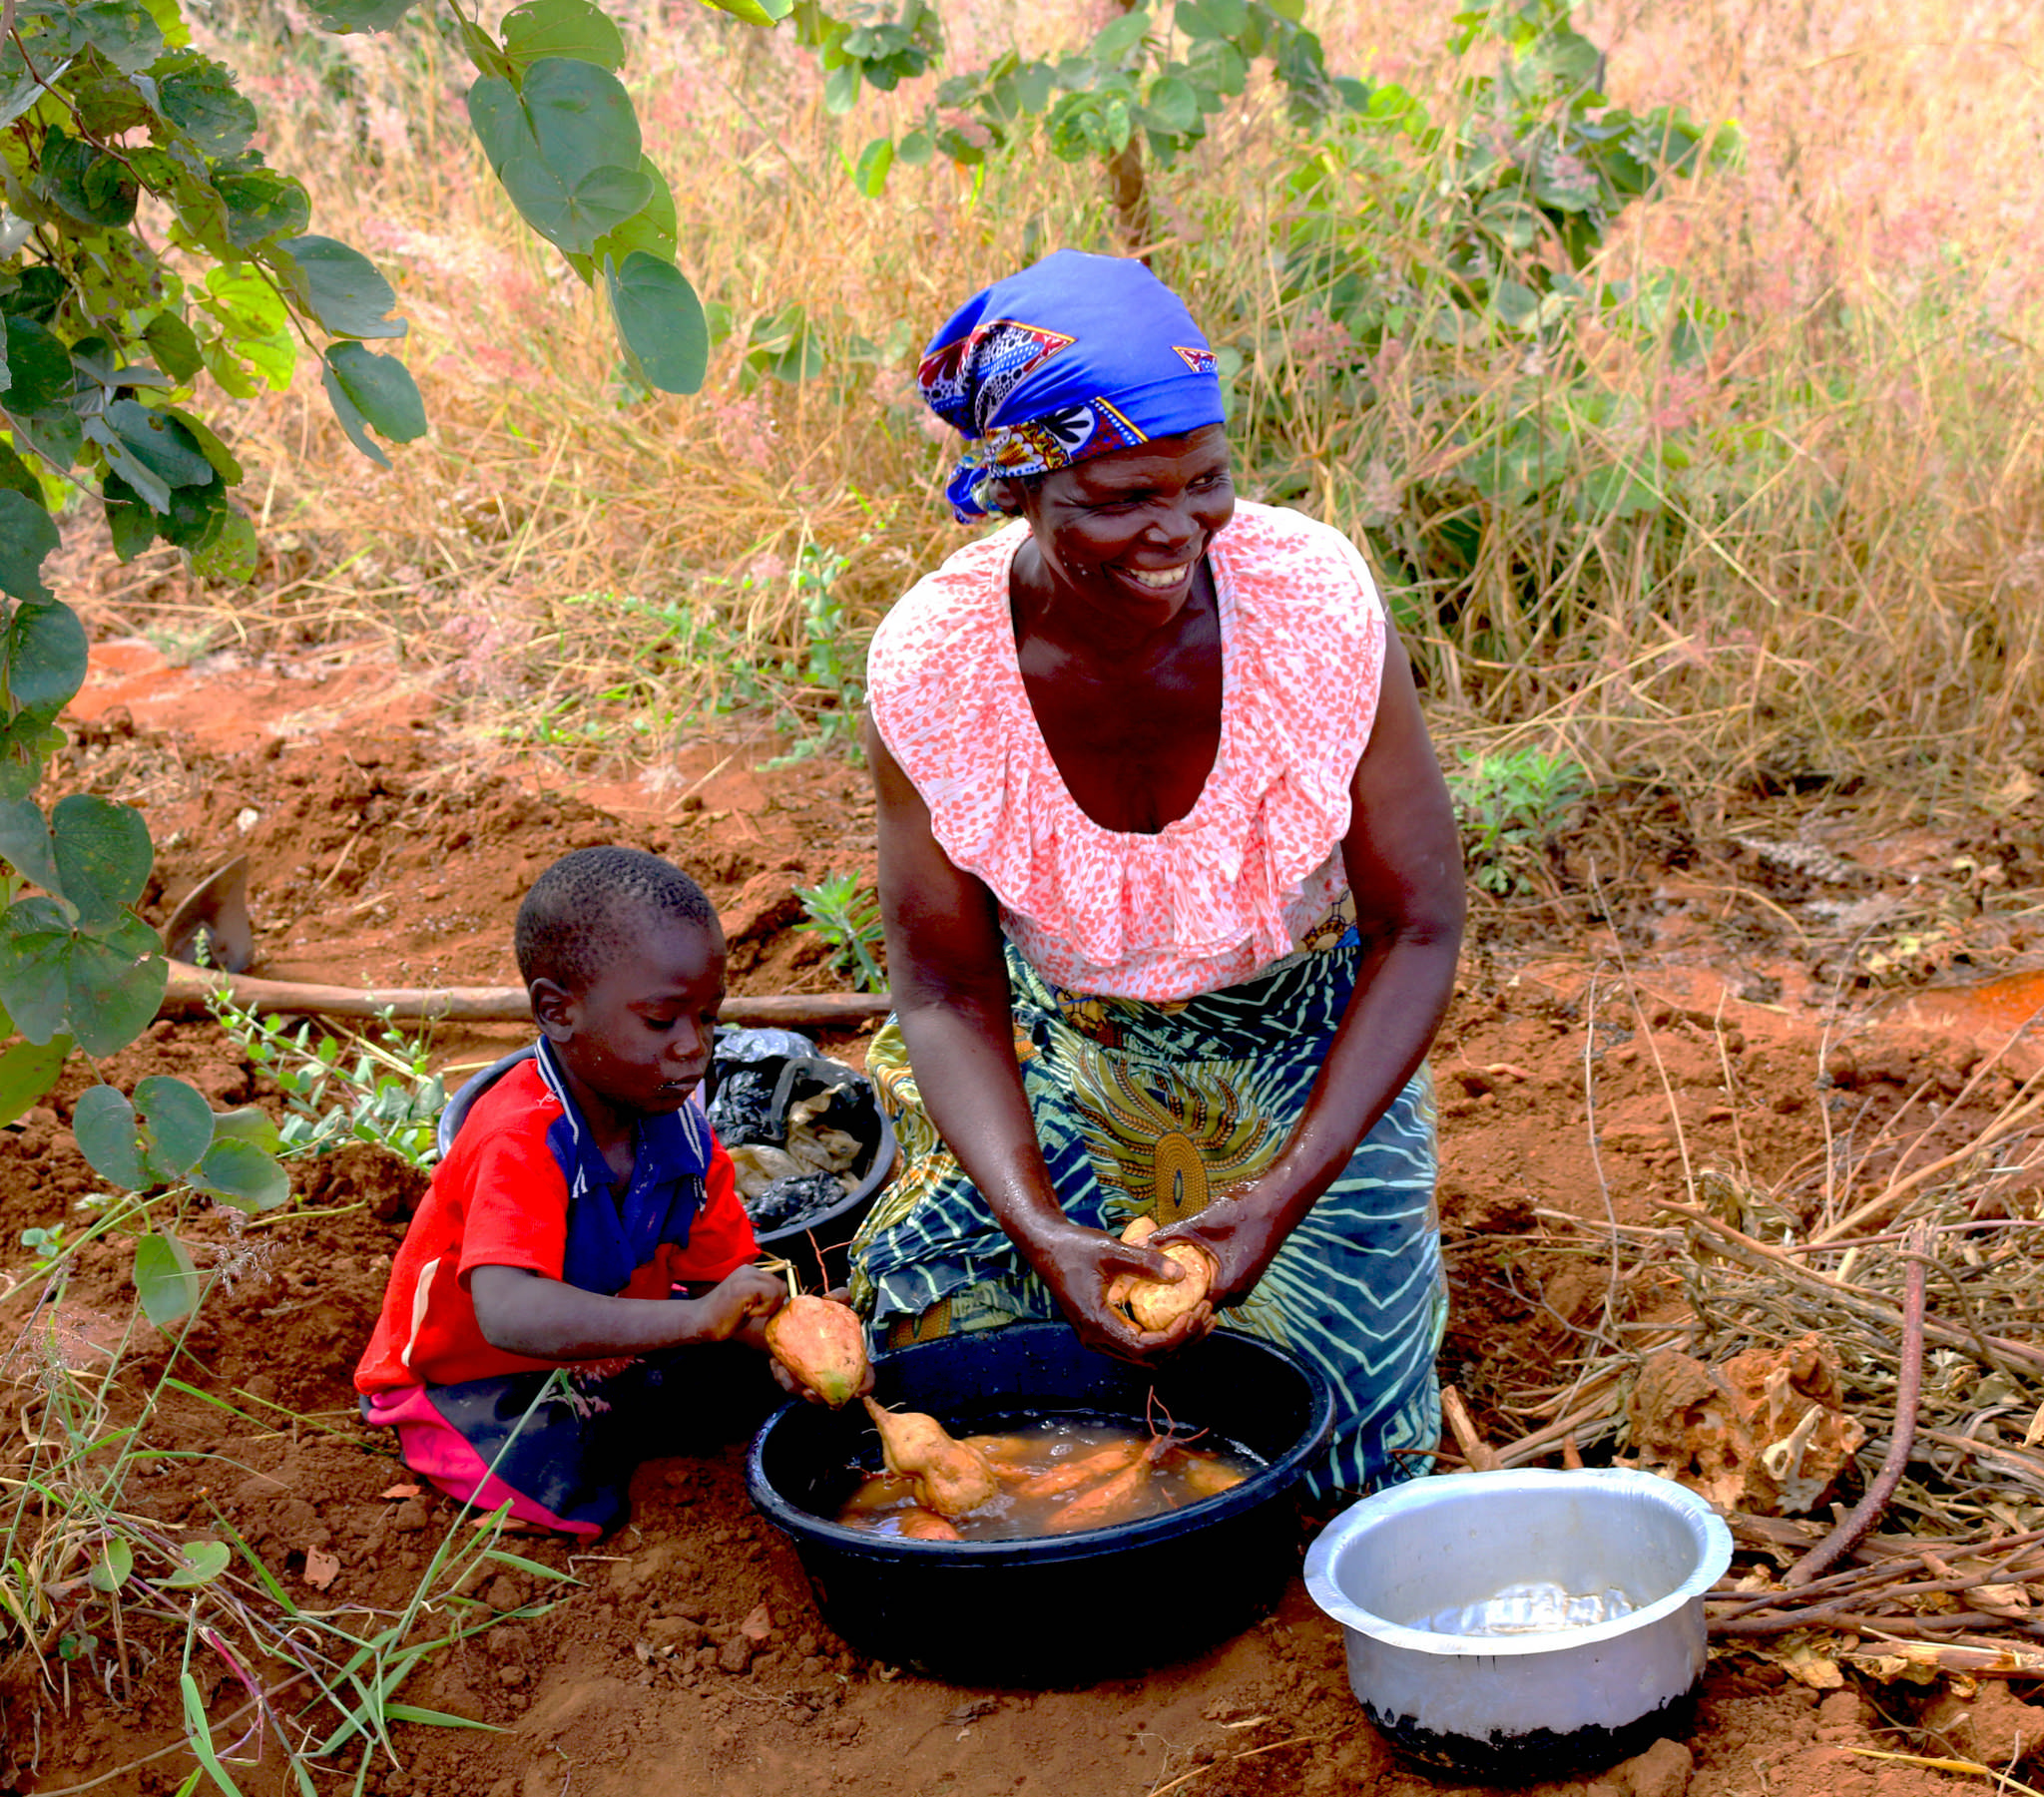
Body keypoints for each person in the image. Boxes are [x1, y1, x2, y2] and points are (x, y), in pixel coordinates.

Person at [846, 248, 1466, 1498]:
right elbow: (945, 992)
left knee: (1317, 1440)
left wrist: (1277, 1199)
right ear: (1020, 489)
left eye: (1205, 481)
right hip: (1070, 1059)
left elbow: (1417, 928)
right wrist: (1039, 1226)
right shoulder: (936, 669)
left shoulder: (1308, 610)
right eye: (1123, 496)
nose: (1175, 530)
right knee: (949, 1362)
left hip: (1310, 1068)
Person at [355, 846, 801, 1538]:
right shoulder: (519, 1137)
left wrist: (788, 1341)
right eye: (662, 1020)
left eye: (708, 1018)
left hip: (612, 1353)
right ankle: (471, 1434)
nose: (694, 1046)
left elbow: (722, 1288)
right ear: (557, 1011)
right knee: (569, 1484)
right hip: (476, 1379)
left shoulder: (683, 1134)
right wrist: (696, 1320)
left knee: (762, 1392)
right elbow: (510, 1314)